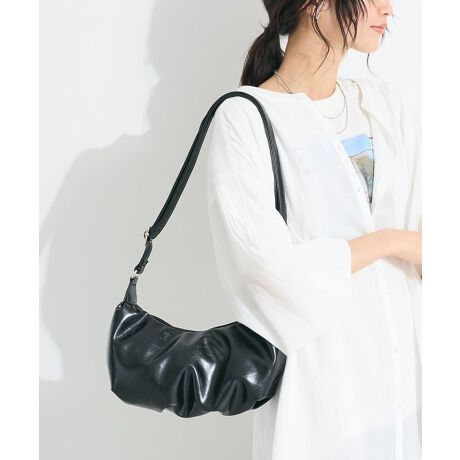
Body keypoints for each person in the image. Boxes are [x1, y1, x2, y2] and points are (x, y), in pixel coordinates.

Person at [206, 0, 422, 459]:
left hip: (407, 395)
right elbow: (264, 273)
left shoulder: (385, 106)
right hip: (321, 401)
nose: (389, 8)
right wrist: (392, 241)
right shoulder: (246, 118)